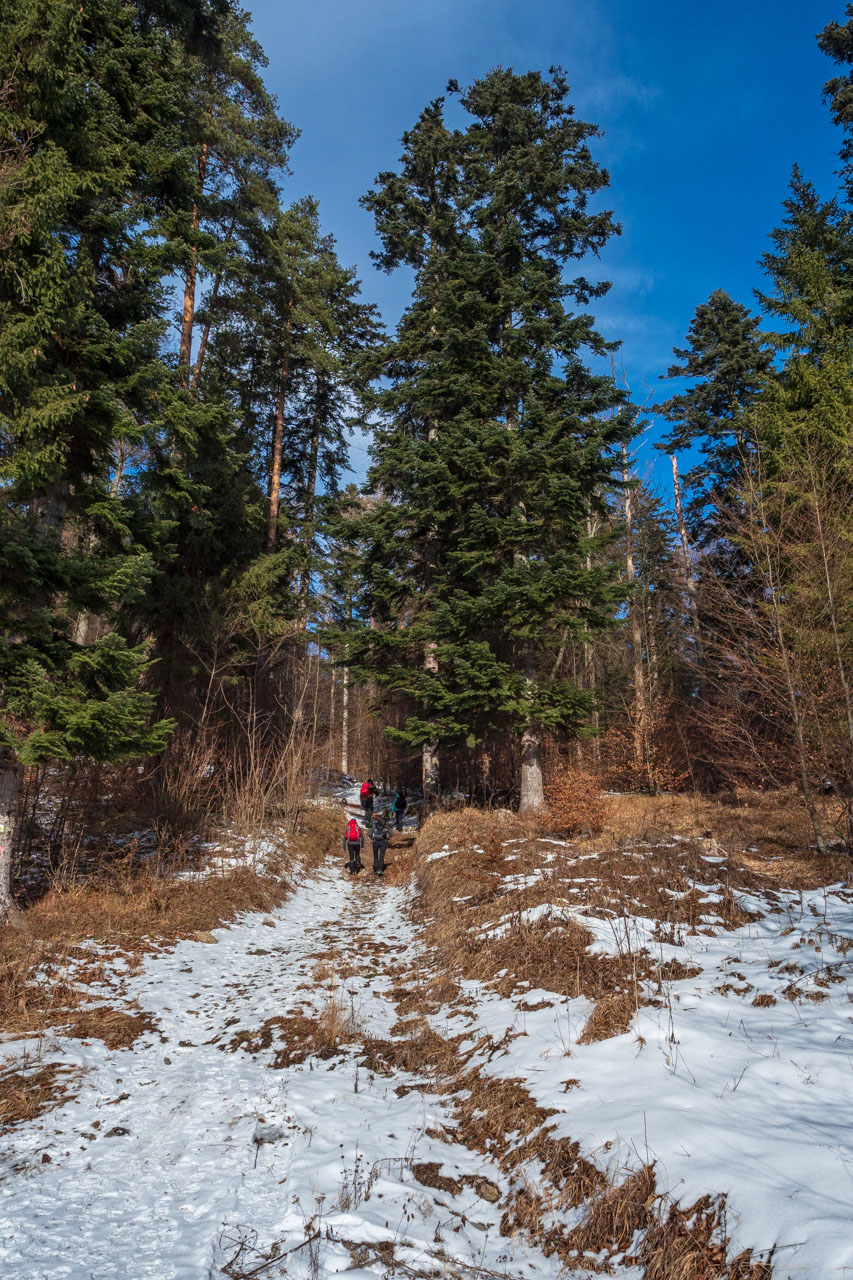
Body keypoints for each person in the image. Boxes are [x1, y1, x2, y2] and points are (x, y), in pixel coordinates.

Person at [370, 810, 389, 876]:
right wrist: (387, 839)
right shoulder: (385, 826)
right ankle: (380, 869)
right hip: (383, 842)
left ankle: (375, 869)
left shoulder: (374, 825)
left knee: (375, 856)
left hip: (375, 842)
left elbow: (369, 834)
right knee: (381, 856)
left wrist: (373, 838)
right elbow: (391, 834)